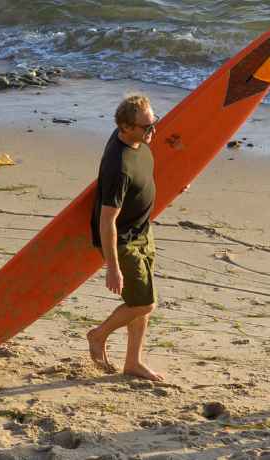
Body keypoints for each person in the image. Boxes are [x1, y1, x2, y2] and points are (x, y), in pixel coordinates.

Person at [85, 94, 167, 382]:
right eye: (147, 127)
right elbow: (106, 220)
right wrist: (113, 267)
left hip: (142, 232)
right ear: (126, 127)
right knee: (145, 303)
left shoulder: (136, 140)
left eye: (154, 122)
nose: (153, 130)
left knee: (139, 300)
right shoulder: (117, 166)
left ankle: (133, 362)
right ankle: (98, 335)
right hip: (123, 242)